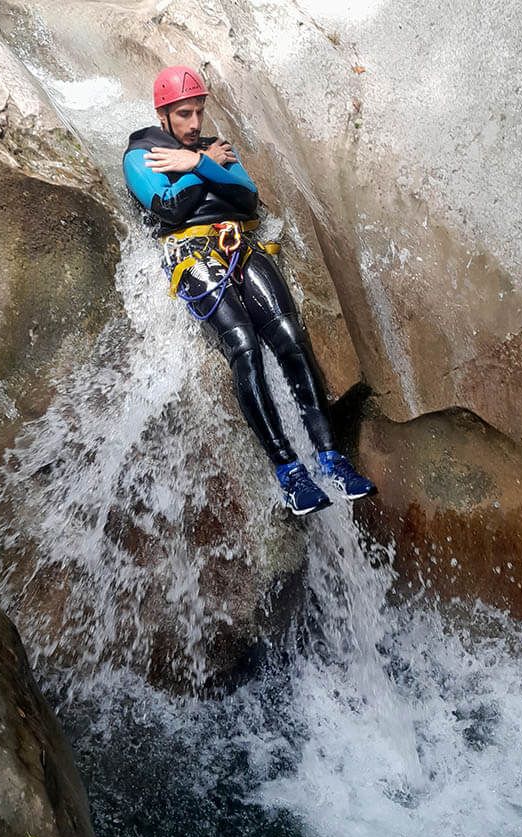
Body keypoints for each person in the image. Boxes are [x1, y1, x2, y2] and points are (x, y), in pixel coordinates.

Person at [123, 65, 377, 516]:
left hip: (238, 243)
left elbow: (247, 197)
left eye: (199, 112)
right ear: (163, 114)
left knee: (291, 340)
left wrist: (198, 162)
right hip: (188, 254)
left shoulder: (212, 149)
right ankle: (289, 473)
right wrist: (200, 169)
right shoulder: (142, 156)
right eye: (183, 114)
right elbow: (168, 209)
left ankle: (332, 460)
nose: (195, 123)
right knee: (243, 346)